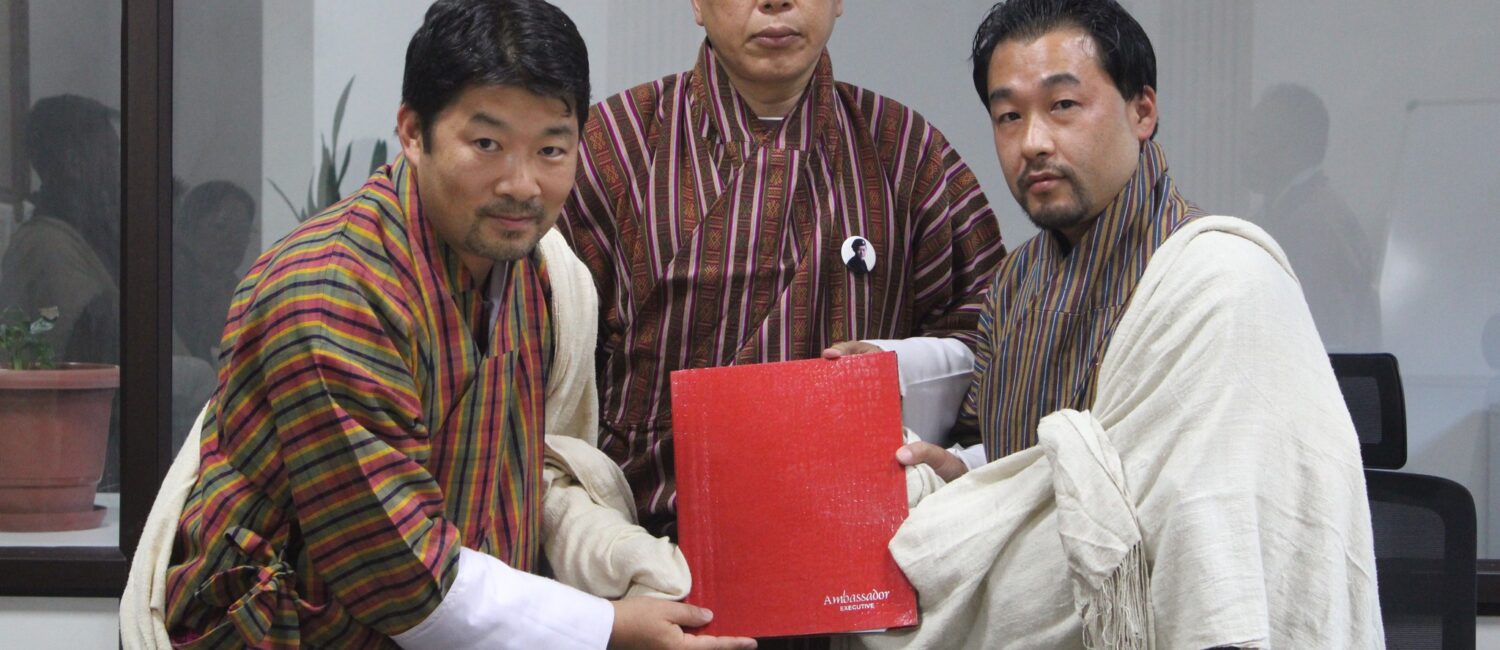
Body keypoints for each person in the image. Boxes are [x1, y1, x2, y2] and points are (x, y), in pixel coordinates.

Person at [125, 2, 757, 648]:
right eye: (487, 144)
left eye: (551, 149)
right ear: (412, 132)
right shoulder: (332, 293)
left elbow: (527, 481)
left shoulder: (536, 274)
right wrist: (610, 627)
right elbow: (400, 578)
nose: (522, 185)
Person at [867, 1, 1383, 647]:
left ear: (1142, 111)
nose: (1033, 142)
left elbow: (1226, 551)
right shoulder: (1014, 283)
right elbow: (1014, 479)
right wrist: (966, 480)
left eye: (1063, 105)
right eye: (1009, 116)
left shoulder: (1222, 281)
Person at [559, 0, 1007, 540]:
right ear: (696, 4)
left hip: (861, 547)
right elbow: (553, 371)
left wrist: (896, 368)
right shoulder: (613, 146)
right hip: (642, 548)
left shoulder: (908, 154)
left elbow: (995, 347)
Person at [1244, 83, 1380, 352]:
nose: (1245, 151)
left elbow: (1323, 339)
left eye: (1257, 138)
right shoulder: (1293, 212)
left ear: (1295, 147)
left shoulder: (1313, 227)